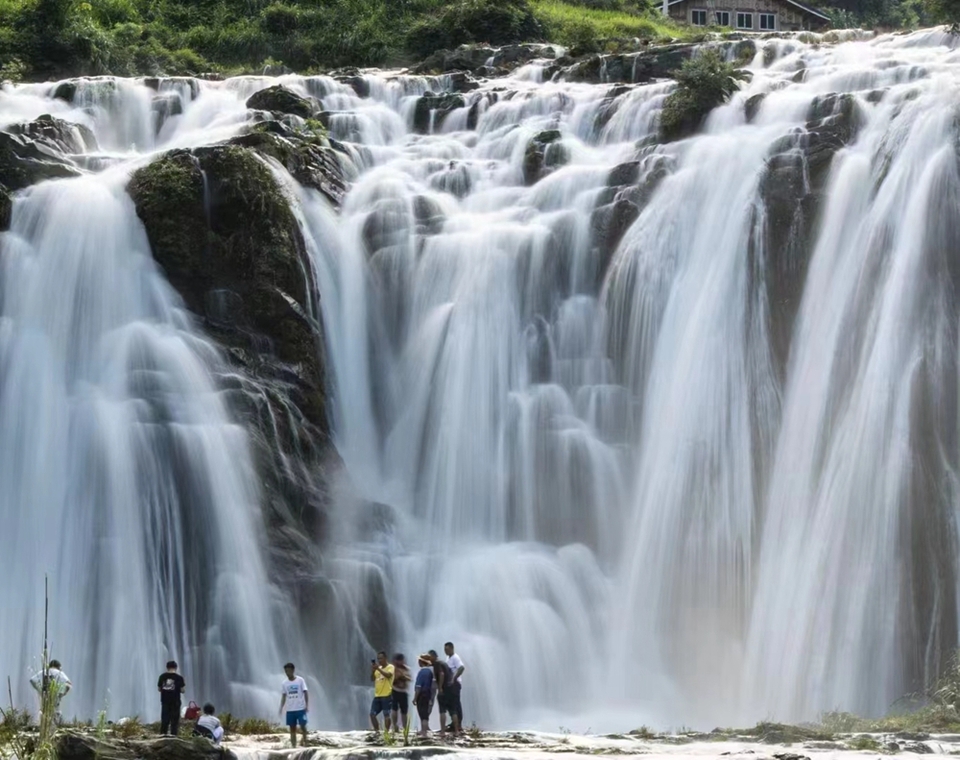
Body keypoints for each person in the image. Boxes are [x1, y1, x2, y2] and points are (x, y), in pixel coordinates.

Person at [30, 660, 72, 724]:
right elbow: (68, 684)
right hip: (55, 693)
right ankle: (57, 725)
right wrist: (63, 693)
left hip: (45, 693)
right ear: (58, 667)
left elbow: (32, 680)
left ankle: (44, 725)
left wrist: (39, 689)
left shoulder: (44, 671)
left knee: (45, 710)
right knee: (56, 710)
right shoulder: (59, 672)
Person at [279, 662, 309, 748]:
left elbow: (305, 692)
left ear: (293, 670)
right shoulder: (284, 683)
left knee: (303, 726)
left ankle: (306, 742)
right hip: (290, 710)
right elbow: (284, 696)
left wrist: (307, 705)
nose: (287, 673)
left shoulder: (300, 680)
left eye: (288, 671)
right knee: (292, 728)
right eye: (285, 671)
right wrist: (281, 707)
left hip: (300, 708)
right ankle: (293, 746)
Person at [157, 660, 186, 736]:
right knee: (174, 720)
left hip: (165, 701)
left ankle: (163, 734)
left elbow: (159, 689)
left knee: (165, 718)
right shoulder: (179, 678)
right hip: (175, 701)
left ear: (167, 667)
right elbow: (183, 690)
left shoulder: (162, 677)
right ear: (176, 667)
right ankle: (173, 735)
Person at [428, 650, 453, 735]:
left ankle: (442, 731)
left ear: (434, 656)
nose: (429, 659)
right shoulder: (443, 663)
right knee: (452, 710)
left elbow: (441, 674)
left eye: (429, 657)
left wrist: (440, 687)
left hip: (444, 689)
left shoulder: (437, 664)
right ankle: (456, 730)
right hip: (450, 688)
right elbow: (450, 673)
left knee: (442, 710)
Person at [369, 651, 394, 731]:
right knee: (372, 714)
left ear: (385, 658)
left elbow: (388, 675)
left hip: (387, 695)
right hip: (377, 695)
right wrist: (373, 671)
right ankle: (377, 731)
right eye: (378, 659)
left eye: (381, 658)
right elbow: (372, 679)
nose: (379, 660)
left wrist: (378, 670)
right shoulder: (377, 669)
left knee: (386, 714)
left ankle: (386, 732)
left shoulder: (390, 667)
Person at [444, 642, 465, 735]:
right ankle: (454, 723)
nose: (446, 651)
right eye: (445, 649)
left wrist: (454, 678)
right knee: (451, 703)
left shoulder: (455, 657)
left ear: (452, 648)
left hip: (455, 684)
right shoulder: (448, 658)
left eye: (447, 649)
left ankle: (458, 724)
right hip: (450, 685)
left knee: (456, 703)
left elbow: (461, 668)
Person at [413, 655, 434, 737]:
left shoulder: (421, 672)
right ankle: (423, 730)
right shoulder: (430, 672)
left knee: (422, 713)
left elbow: (418, 686)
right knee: (425, 712)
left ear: (421, 662)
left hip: (421, 694)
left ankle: (423, 732)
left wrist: (415, 698)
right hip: (428, 694)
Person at [390, 653, 411, 735]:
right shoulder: (393, 669)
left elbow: (409, 678)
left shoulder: (406, 669)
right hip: (395, 690)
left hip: (403, 692)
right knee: (394, 709)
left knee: (404, 711)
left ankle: (405, 727)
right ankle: (394, 726)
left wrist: (404, 677)